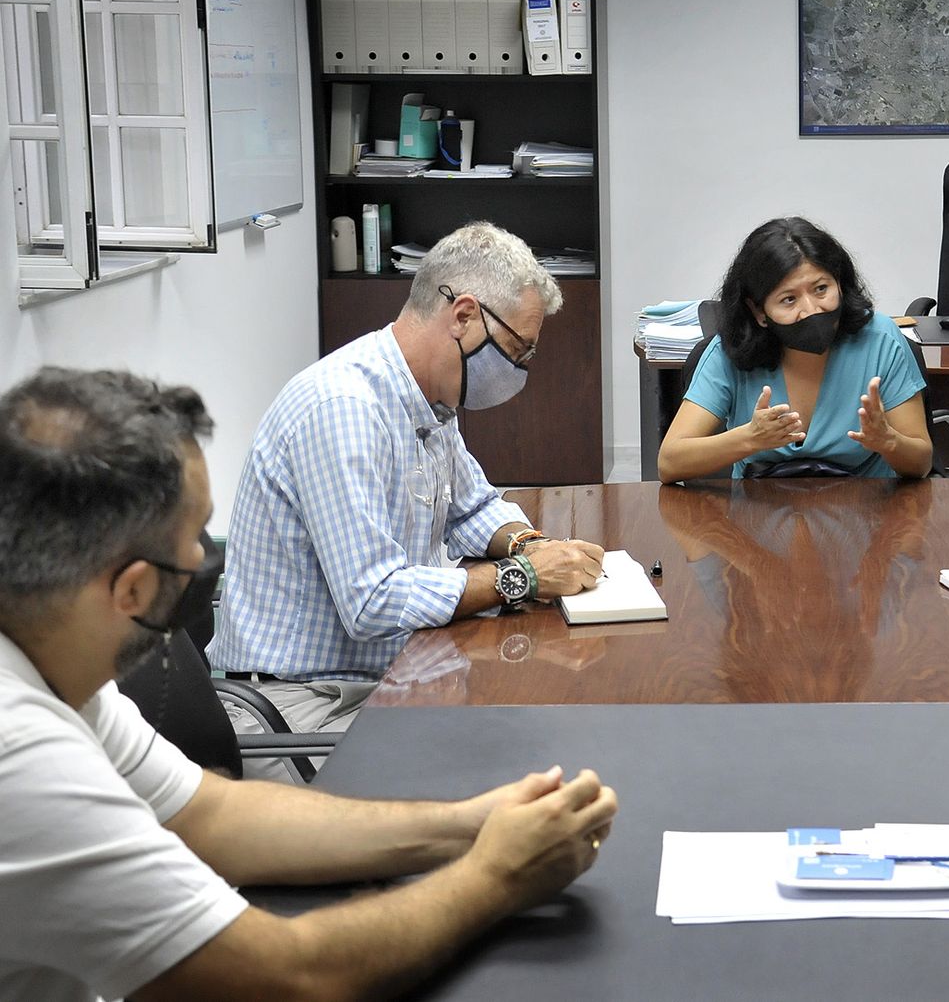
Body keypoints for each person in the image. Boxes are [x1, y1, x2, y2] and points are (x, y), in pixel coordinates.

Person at [0, 367, 617, 1001]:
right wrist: (496, 876)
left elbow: (210, 814)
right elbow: (289, 976)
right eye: (193, 539)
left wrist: (469, 824)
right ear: (131, 589)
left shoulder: (56, 653)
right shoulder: (18, 754)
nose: (203, 559)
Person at [210, 222, 605, 769]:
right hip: (302, 709)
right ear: (464, 316)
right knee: (512, 771)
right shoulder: (343, 408)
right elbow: (373, 600)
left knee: (545, 732)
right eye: (516, 349)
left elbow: (474, 507)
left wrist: (527, 544)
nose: (518, 370)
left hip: (387, 674)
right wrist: (527, 578)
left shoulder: (427, 400)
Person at [657, 216, 932, 481]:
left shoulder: (880, 339)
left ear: (839, 282)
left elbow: (921, 464)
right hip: (756, 516)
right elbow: (669, 463)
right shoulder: (731, 350)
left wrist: (888, 441)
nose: (811, 310)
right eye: (789, 299)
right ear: (758, 311)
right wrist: (749, 438)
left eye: (821, 289)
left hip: (865, 516)